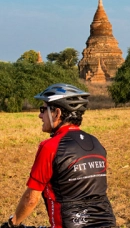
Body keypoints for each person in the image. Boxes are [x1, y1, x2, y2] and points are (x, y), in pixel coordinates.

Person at [1, 83, 116, 228]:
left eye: (43, 109)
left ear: (57, 113)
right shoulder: (96, 142)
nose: (40, 115)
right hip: (108, 222)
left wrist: (13, 223)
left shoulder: (50, 147)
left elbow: (31, 199)